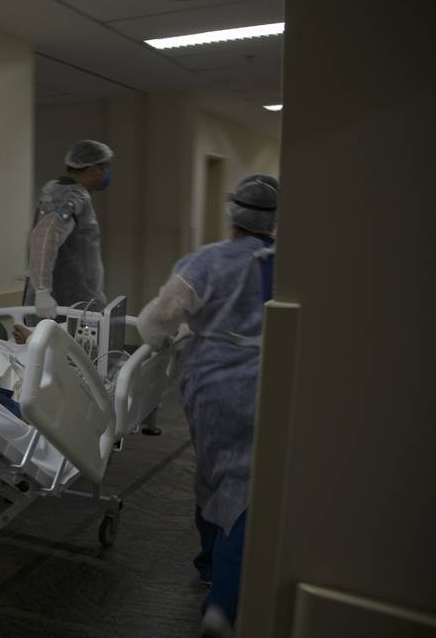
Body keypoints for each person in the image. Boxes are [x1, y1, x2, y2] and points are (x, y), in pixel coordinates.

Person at [136, 174, 279, 638]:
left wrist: (159, 340)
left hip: (215, 385)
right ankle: (213, 569)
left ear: (233, 212)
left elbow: (160, 317)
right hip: (273, 381)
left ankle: (221, 599)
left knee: (220, 476)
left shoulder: (207, 261)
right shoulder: (293, 262)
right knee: (246, 479)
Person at [25, 139, 114, 319]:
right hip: (68, 306)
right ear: (93, 169)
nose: (106, 174)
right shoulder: (71, 196)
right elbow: (44, 236)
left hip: (71, 303)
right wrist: (43, 291)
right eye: (104, 168)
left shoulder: (55, 189)